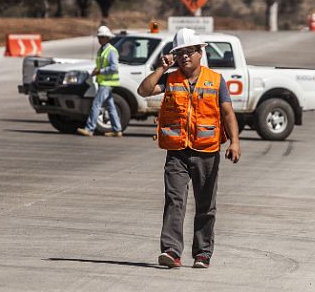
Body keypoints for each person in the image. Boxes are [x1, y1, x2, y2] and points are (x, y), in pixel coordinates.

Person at [137, 28, 241, 269]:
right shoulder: (170, 78)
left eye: (190, 52)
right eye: (180, 53)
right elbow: (143, 91)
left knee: (205, 204)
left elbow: (227, 113)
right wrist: (162, 67)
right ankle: (172, 251)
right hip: (177, 151)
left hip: (207, 150)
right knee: (174, 200)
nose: (185, 57)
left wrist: (234, 142)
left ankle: (203, 253)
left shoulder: (216, 80)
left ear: (200, 53)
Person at [77, 26, 123, 137]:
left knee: (96, 104)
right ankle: (117, 130)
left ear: (107, 38)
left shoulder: (111, 51)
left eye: (102, 37)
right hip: (104, 82)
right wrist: (96, 71)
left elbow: (114, 67)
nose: (99, 39)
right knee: (110, 106)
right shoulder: (102, 50)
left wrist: (100, 71)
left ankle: (89, 129)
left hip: (107, 83)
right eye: (99, 37)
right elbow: (100, 65)